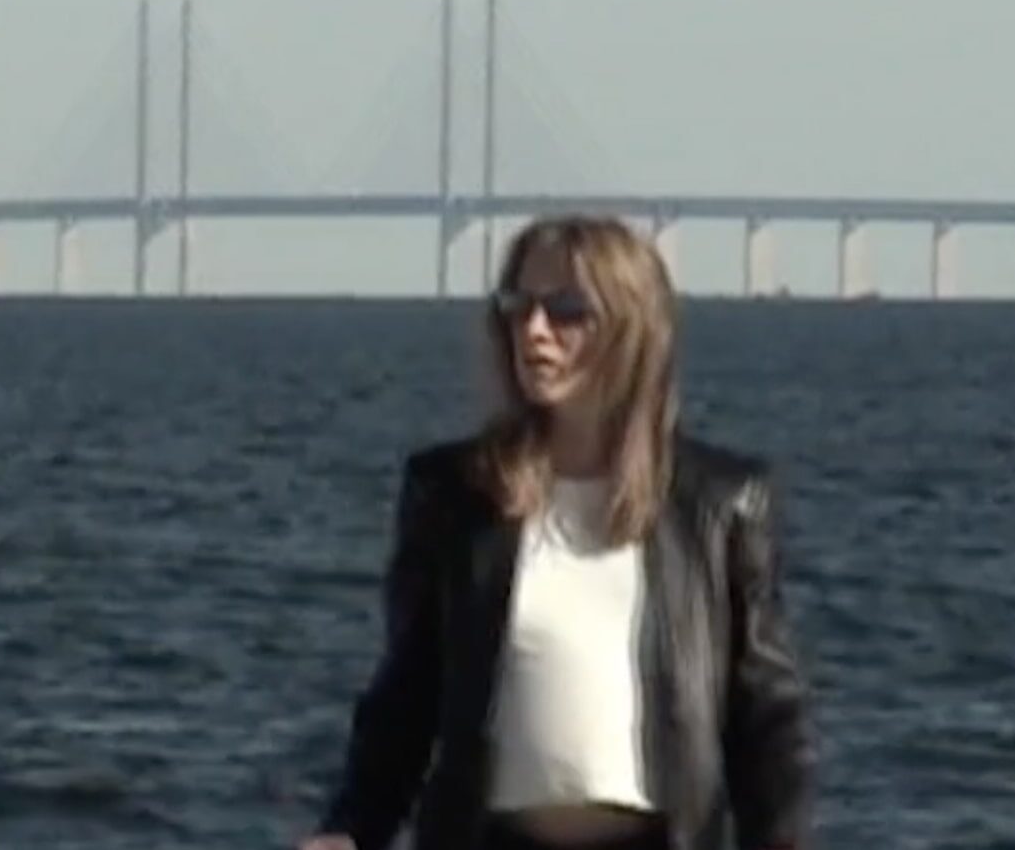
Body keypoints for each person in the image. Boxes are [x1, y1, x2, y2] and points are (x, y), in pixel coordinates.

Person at [302, 214, 815, 850]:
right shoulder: (453, 497)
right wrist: (351, 829)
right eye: (518, 307)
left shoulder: (722, 503)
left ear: (630, 328)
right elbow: (406, 698)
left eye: (566, 309)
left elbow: (764, 714)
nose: (534, 330)